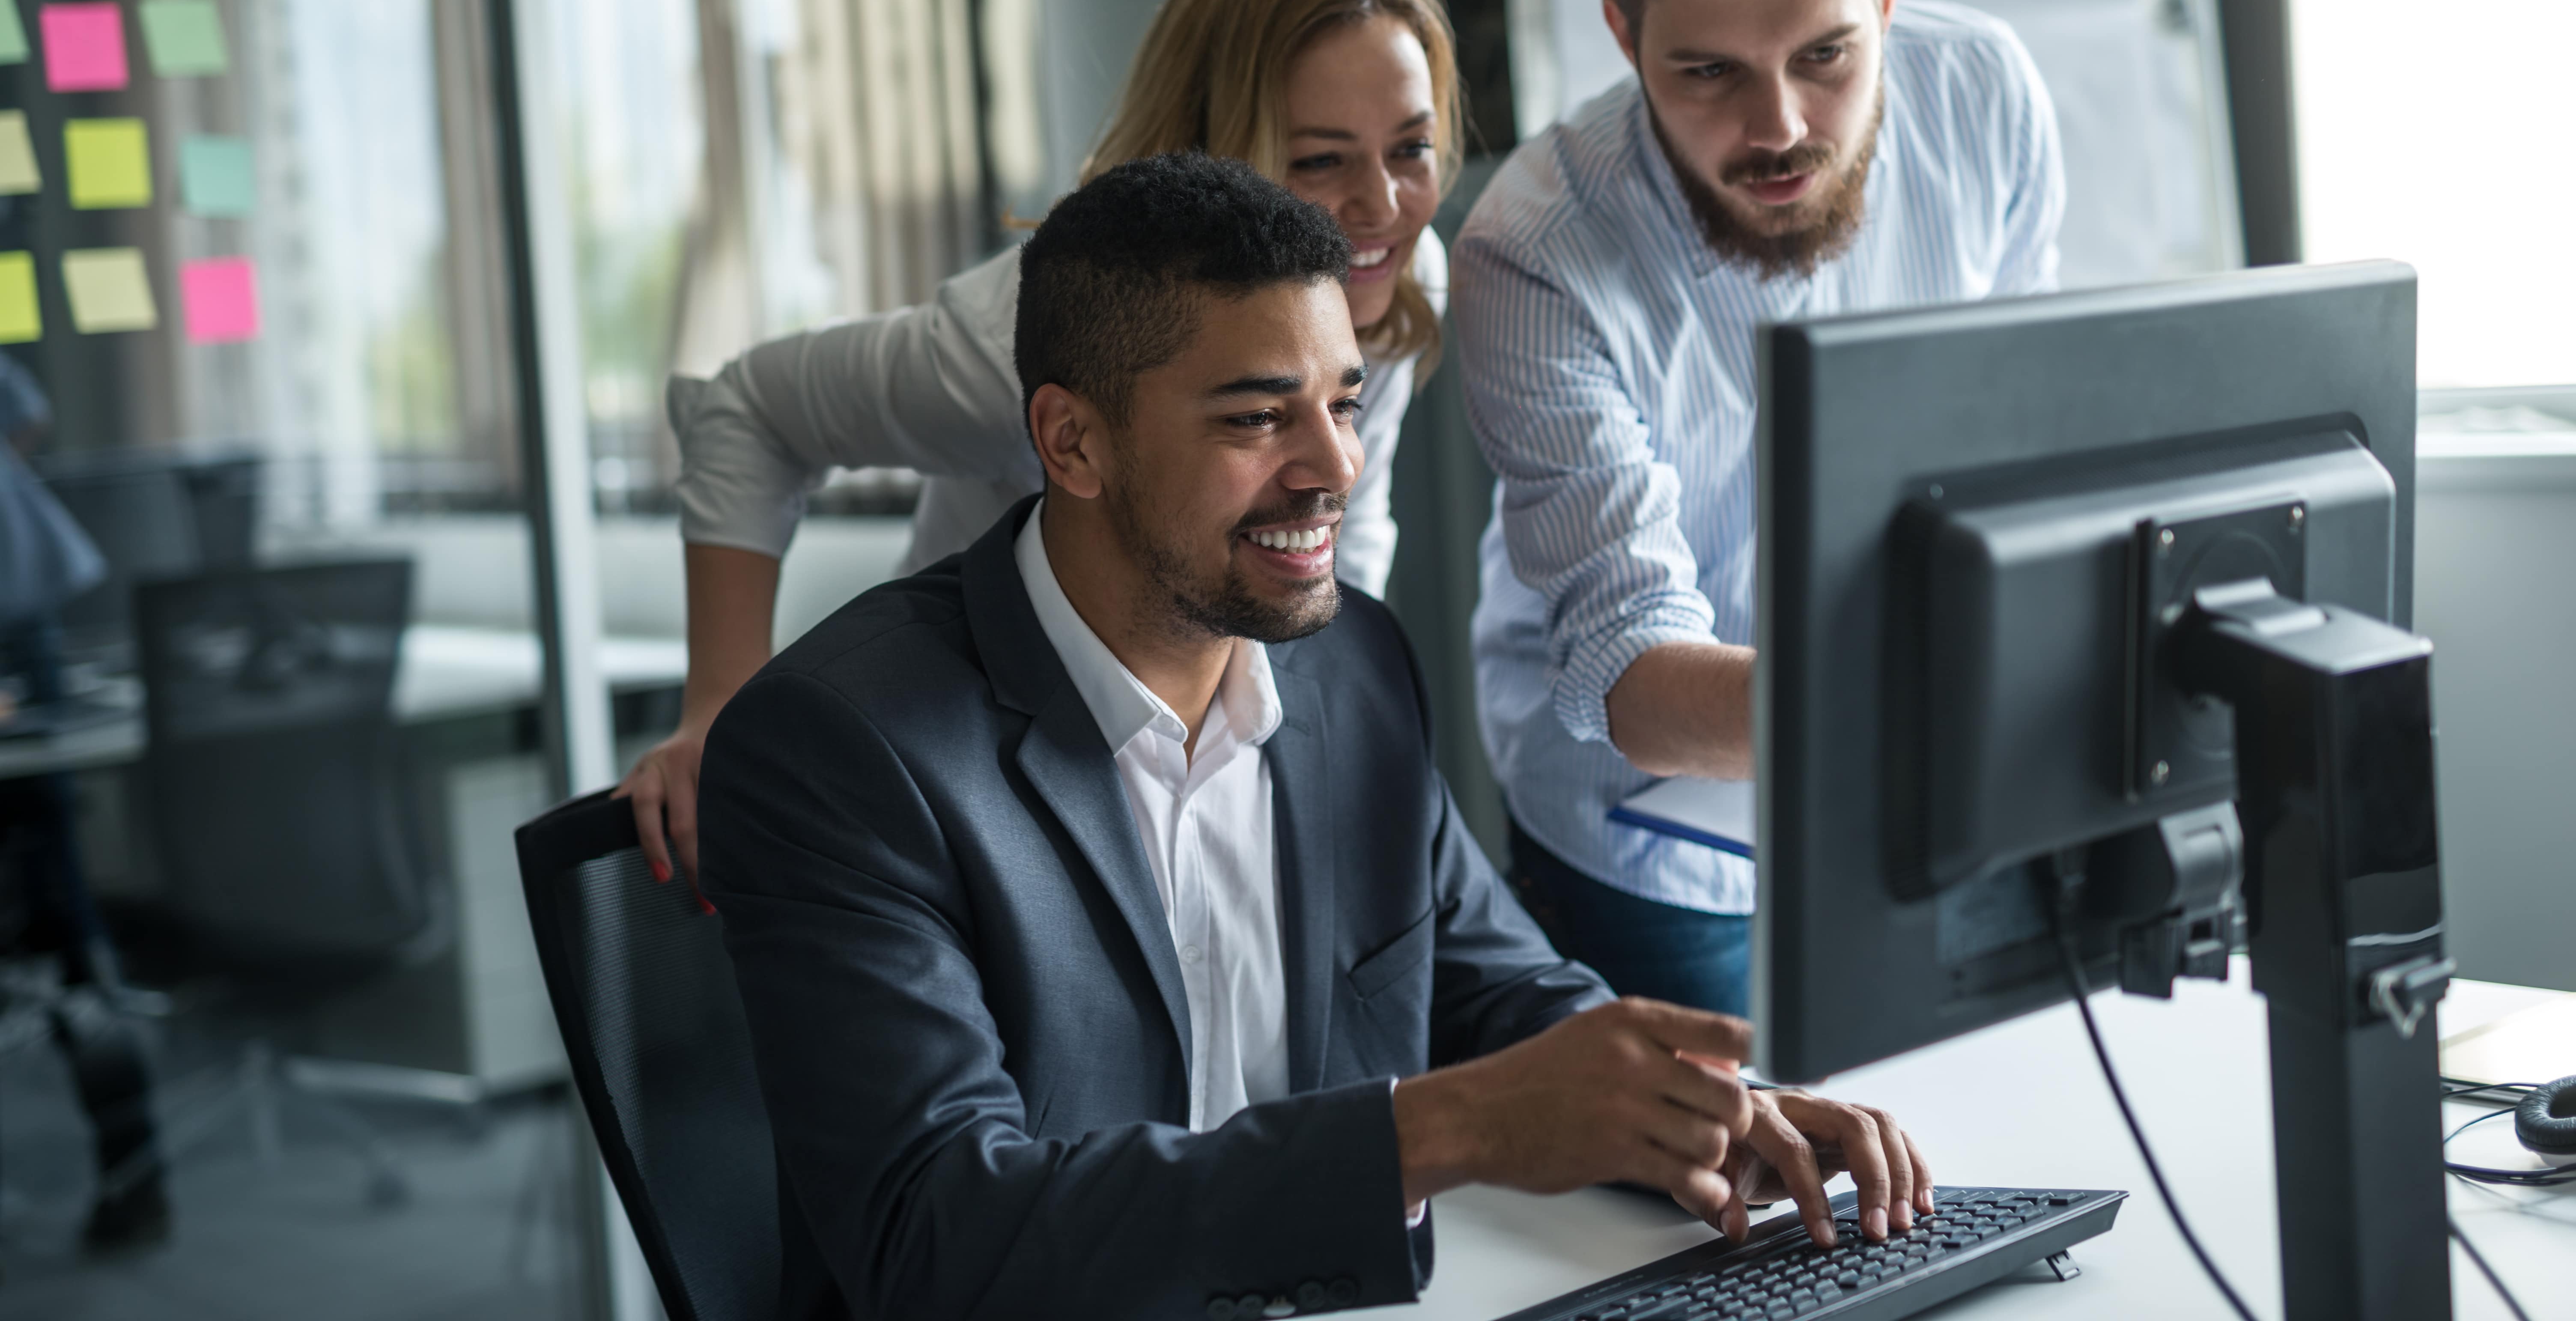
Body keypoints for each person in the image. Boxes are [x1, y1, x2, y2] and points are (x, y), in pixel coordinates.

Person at [698, 155, 1932, 1321]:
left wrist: (1709, 1111)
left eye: (1343, 402)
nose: (1333, 465)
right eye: (1255, 420)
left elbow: (1493, 990)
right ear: (1072, 441)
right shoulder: (844, 750)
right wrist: (1434, 1133)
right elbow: (939, 1238)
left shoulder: (1352, 668)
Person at [623, 0, 1461, 889]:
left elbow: (1335, 555)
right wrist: (718, 710)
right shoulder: (1025, 339)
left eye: (1412, 150)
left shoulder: (1387, 280)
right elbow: (749, 409)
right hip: (976, 750)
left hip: (1188, 739)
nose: (1382, 205)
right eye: (1319, 162)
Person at [1453, 0, 2066, 1015]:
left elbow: (2025, 443)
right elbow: (1637, 673)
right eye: (1710, 72)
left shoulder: (1985, 97)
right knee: (1719, 1209)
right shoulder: (1534, 252)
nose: (1780, 125)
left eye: (1828, 55)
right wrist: (1964, 696)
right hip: (1654, 852)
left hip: (1936, 786)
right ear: (1626, 40)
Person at [0, 355, 170, 1252]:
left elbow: (22, 417)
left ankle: (133, 1172)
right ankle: (134, 1173)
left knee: (66, 936)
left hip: (17, 635)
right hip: (24, 624)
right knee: (65, 937)